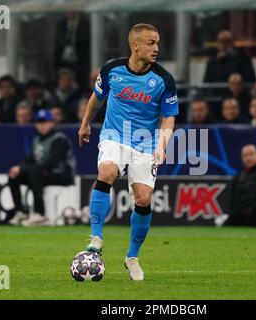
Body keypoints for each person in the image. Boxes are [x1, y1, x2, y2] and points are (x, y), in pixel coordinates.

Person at [78, 23, 179, 281]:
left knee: (143, 199)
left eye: (157, 43)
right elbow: (97, 98)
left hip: (145, 142)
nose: (156, 48)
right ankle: (97, 237)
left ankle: (132, 257)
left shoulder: (164, 80)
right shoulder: (112, 70)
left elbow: (168, 118)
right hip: (114, 134)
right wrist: (85, 123)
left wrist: (162, 145)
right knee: (107, 171)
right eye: (150, 43)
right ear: (135, 45)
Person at [8, 109, 76, 226]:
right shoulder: (37, 140)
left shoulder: (60, 139)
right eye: (39, 123)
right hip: (43, 174)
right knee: (14, 176)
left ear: (51, 123)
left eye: (45, 122)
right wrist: (18, 168)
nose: (42, 126)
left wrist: (24, 169)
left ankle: (40, 214)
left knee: (35, 173)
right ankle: (20, 211)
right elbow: (31, 159)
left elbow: (51, 163)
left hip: (62, 175)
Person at [227, 144, 256, 226]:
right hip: (239, 215)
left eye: (251, 154)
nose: (248, 158)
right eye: (245, 155)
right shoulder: (239, 177)